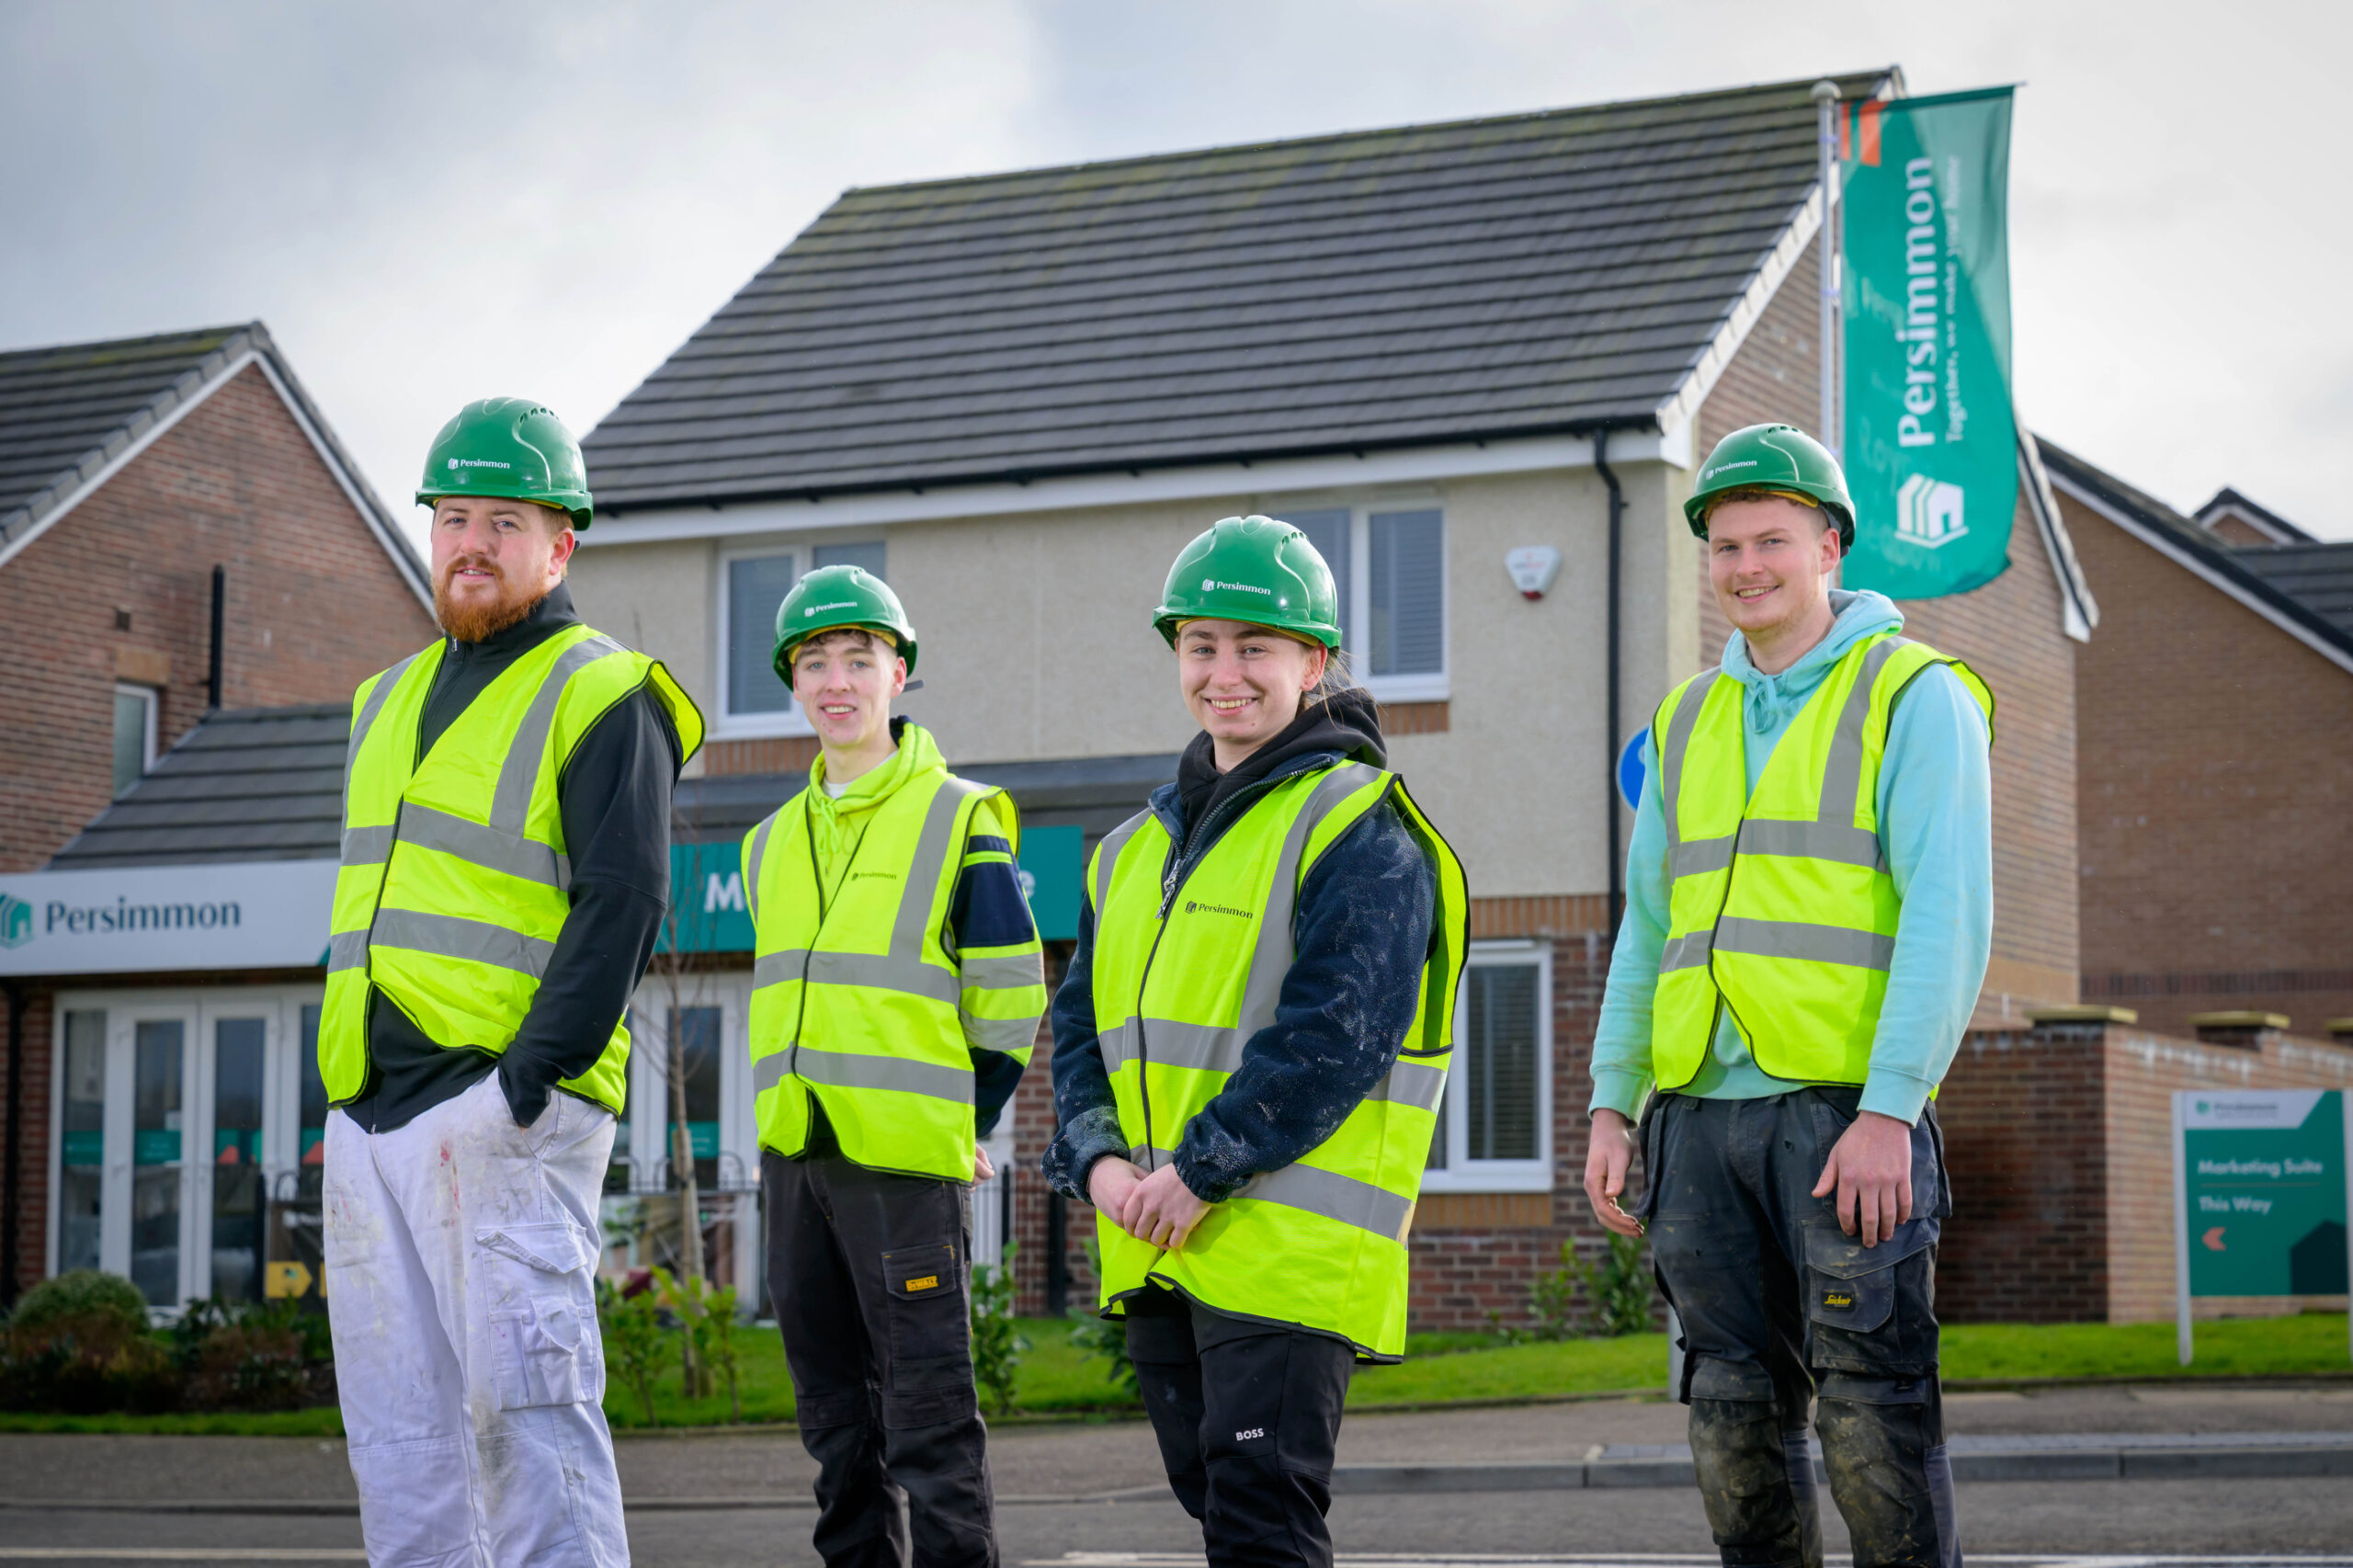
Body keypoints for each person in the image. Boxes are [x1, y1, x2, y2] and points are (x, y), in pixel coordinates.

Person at [1583, 424, 1993, 1568]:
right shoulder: (1681, 721)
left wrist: (1889, 1110)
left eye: (1771, 539)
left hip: (1839, 1117)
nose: (1745, 564)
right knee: (1728, 1409)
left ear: (1830, 547)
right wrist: (1614, 1105)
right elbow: (1648, 932)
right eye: (1723, 545)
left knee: (1873, 1406)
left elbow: (1945, 916)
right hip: (1695, 1119)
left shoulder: (1915, 694)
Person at [320, 398, 702, 1568]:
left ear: (560, 543)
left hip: (500, 1112)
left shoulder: (604, 688)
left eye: (503, 519)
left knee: (529, 1430)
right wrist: (340, 1100)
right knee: (402, 1443)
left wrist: (523, 1085)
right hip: (370, 1116)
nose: (470, 541)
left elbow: (624, 903)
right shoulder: (381, 699)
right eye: (451, 517)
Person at [1046, 515, 1468, 1568]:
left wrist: (1197, 1169)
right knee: (1220, 1507)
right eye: (1200, 645)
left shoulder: (1361, 823)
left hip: (1284, 1250)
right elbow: (1078, 1027)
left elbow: (1335, 1033)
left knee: (1262, 1520)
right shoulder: (1130, 850)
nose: (1222, 672)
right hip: (1156, 1240)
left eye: (1254, 646)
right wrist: (1096, 1158)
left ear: (1311, 661)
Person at [741, 564, 1048, 1568]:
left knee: (928, 1427)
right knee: (836, 1431)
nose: (837, 680)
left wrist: (968, 1118)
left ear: (900, 673)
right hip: (794, 1159)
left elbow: (1008, 997)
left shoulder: (962, 816)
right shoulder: (766, 844)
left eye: (859, 659)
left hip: (905, 1170)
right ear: (793, 682)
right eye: (815, 662)